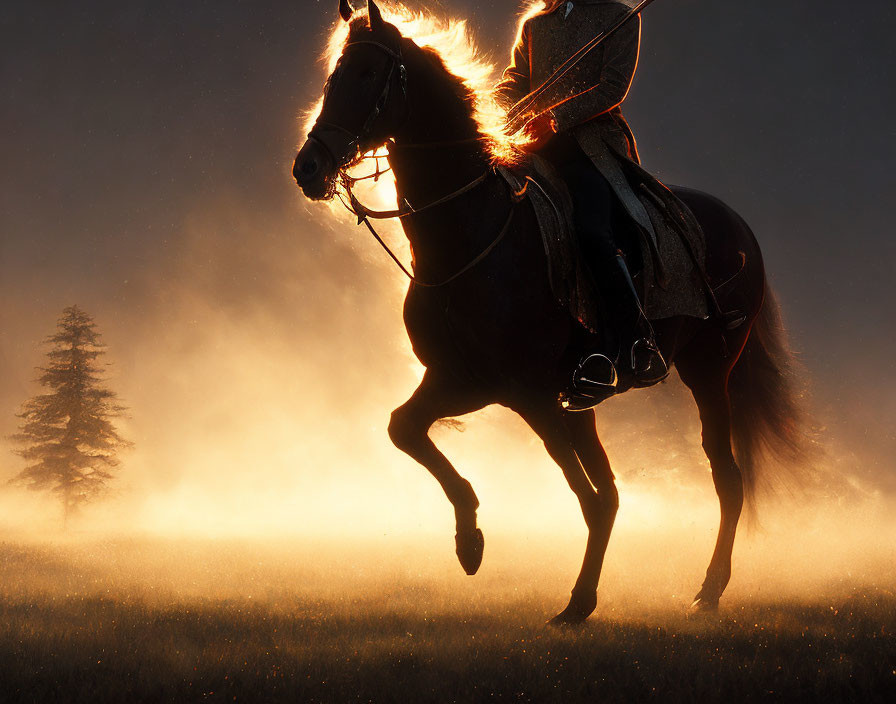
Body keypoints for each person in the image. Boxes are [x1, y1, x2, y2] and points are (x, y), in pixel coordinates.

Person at [496, 0, 669, 393]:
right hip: (533, 147)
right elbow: (515, 81)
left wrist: (555, 118)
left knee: (591, 232)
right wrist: (496, 108)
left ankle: (638, 340)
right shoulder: (535, 25)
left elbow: (611, 87)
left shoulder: (620, 18)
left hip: (591, 146)